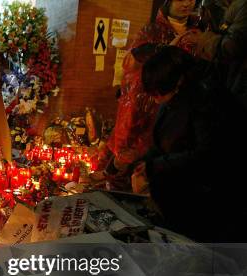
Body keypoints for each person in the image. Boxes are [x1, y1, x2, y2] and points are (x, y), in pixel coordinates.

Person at [132, 46, 246, 242]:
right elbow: (163, 138)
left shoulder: (208, 100)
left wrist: (155, 167)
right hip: (182, 192)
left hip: (211, 200)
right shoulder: (175, 97)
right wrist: (146, 162)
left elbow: (207, 155)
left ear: (177, 82)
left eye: (158, 94)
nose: (155, 100)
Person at [106, 0, 200, 187]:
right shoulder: (152, 31)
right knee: (134, 151)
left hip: (184, 106)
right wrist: (163, 52)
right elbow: (131, 64)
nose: (187, 3)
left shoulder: (200, 30)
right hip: (149, 103)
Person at [187, 0, 247, 110]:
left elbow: (230, 48)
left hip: (239, 85)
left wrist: (203, 39)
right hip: (227, 80)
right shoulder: (217, 4)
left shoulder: (242, 5)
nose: (186, 4)